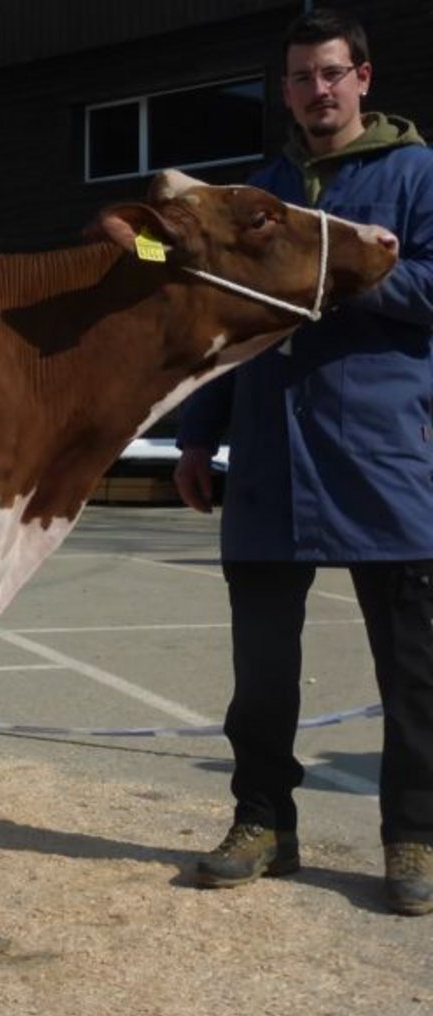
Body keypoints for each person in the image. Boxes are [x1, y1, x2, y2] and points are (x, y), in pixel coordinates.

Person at [174, 8, 433, 916]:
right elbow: (226, 317)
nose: (316, 91)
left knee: (413, 673)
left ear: (363, 77)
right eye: (299, 77)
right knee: (261, 674)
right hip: (270, 452)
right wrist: (200, 434)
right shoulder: (262, 191)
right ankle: (262, 823)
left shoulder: (417, 174)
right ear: (284, 90)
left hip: (384, 457)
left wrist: (344, 268)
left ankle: (414, 839)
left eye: (330, 73)